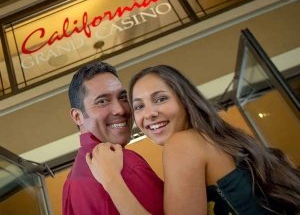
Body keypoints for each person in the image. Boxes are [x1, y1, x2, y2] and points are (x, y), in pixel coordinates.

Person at [86, 64, 300, 215]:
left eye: (160, 99)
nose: (149, 114)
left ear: (185, 100)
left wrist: (111, 180)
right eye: (139, 106)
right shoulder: (217, 139)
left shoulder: (182, 144)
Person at [62, 61, 164, 215]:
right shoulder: (125, 163)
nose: (120, 109)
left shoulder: (70, 184)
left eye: (123, 97)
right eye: (102, 101)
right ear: (78, 116)